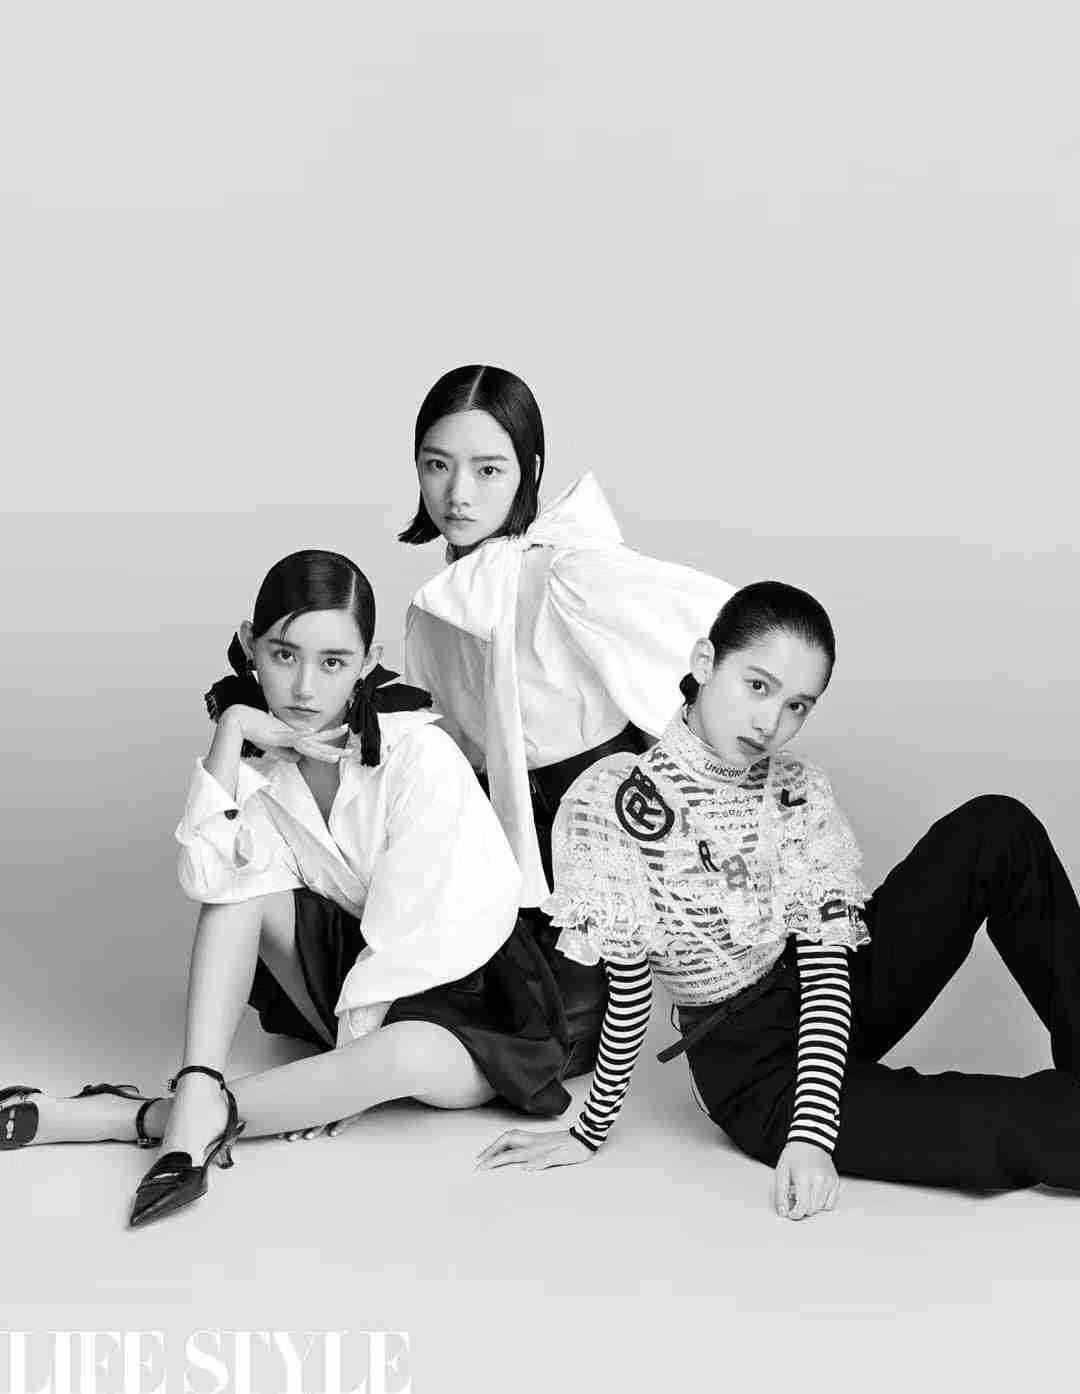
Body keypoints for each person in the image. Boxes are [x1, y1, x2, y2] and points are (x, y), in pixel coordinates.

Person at [0, 550, 570, 1227]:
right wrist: (232, 732)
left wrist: (350, 1072)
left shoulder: (419, 757)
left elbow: (420, 939)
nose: (303, 687)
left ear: (367, 661)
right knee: (239, 888)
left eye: (333, 662)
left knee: (403, 1056)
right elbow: (207, 879)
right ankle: (199, 1088)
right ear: (250, 645)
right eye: (283, 655)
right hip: (350, 979)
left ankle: (126, 1118)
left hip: (470, 998)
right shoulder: (261, 761)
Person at [476, 581, 1080, 1218]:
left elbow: (825, 967)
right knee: (1042, 1124)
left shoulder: (795, 789)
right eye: (757, 686)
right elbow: (629, 993)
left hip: (832, 997)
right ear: (705, 662)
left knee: (996, 828)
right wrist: (587, 1133)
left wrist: (814, 1133)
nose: (771, 723)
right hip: (759, 1073)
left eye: (797, 705)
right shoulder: (613, 800)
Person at [401, 364, 734, 1074]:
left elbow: (732, 627)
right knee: (431, 1005)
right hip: (498, 836)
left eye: (489, 469)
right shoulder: (443, 598)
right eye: (437, 465)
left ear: (530, 469)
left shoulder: (564, 572)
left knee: (555, 1045)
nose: (459, 493)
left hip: (587, 836)